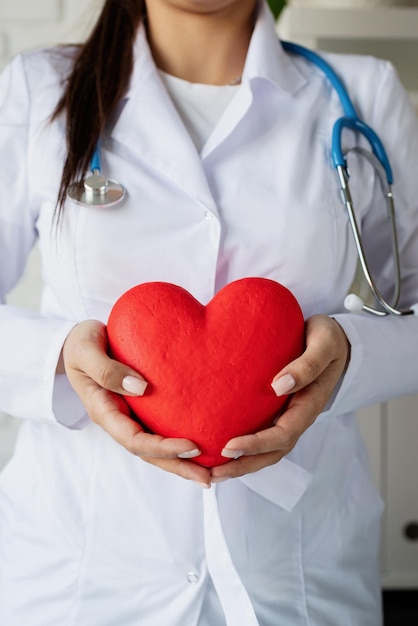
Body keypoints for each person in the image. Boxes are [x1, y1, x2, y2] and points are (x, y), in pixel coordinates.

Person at [0, 0, 417, 624]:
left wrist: (352, 355)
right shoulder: (38, 88)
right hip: (80, 576)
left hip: (299, 576)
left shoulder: (363, 92)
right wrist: (57, 358)